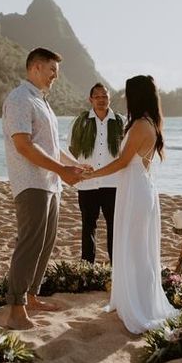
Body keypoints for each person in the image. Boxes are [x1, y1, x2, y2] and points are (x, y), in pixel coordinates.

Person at [78, 75, 179, 334]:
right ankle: (132, 301)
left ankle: (141, 306)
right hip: (137, 187)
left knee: (136, 249)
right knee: (135, 247)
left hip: (135, 190)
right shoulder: (148, 123)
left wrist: (93, 174)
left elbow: (122, 162)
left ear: (137, 95)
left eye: (127, 93)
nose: (123, 98)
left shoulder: (139, 126)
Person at [2, 47, 87, 330]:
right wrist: (62, 171)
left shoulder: (42, 102)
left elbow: (53, 147)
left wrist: (75, 165)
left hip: (50, 184)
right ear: (36, 67)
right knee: (29, 244)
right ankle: (16, 310)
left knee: (45, 243)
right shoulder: (19, 98)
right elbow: (23, 144)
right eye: (52, 71)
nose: (54, 77)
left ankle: (31, 297)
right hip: (31, 183)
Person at [69, 83, 124, 263]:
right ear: (90, 99)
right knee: (88, 227)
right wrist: (80, 166)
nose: (101, 100)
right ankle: (87, 267)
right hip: (87, 183)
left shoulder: (121, 122)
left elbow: (126, 153)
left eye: (105, 96)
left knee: (114, 227)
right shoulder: (80, 122)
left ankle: (115, 268)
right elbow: (71, 148)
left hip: (113, 183)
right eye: (97, 96)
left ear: (110, 98)